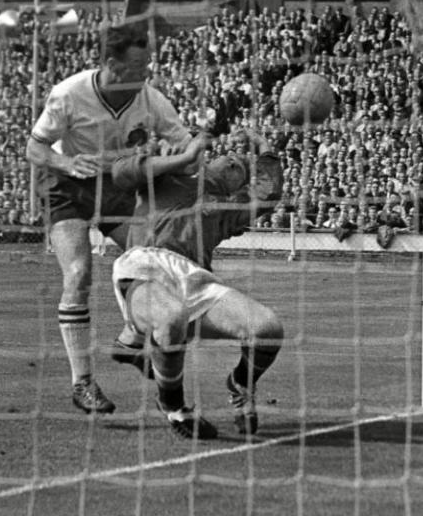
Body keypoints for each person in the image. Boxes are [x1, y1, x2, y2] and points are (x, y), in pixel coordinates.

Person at [26, 23, 192, 415]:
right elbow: (35, 147)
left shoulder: (151, 99)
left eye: (147, 65)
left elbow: (184, 140)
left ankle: (132, 340)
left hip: (115, 187)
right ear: (110, 65)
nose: (145, 74)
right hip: (67, 189)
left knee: (155, 264)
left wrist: (183, 146)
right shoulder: (69, 93)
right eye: (137, 67)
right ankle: (82, 383)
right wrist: (66, 161)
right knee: (79, 273)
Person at [108, 131, 285, 439]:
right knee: (171, 318)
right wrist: (184, 157)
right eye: (228, 159)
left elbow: (269, 194)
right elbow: (122, 171)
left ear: (239, 186)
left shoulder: (231, 210)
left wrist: (266, 152)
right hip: (144, 264)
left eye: (240, 168)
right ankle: (174, 407)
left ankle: (240, 383)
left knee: (268, 330)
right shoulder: (171, 177)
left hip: (196, 278)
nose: (233, 161)